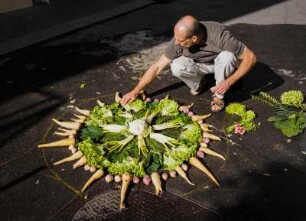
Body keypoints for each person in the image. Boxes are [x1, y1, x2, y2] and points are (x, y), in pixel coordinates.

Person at [120, 15, 256, 112]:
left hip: (219, 64)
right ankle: (198, 84)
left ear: (194, 38)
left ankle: (218, 96)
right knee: (176, 66)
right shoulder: (178, 40)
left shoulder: (220, 36)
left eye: (181, 40)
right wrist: (135, 91)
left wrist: (230, 81)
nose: (177, 43)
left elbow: (251, 58)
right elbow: (157, 67)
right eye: (176, 38)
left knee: (228, 57)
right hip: (199, 64)